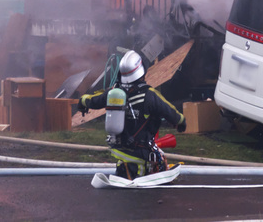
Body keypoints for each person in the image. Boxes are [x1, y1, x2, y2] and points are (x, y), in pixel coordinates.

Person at [77, 50, 186, 180]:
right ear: (141, 71)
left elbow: (94, 100)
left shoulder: (114, 93)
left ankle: (124, 170)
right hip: (141, 150)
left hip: (118, 148)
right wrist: (181, 122)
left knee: (138, 159)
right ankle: (139, 172)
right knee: (155, 160)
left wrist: (83, 101)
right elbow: (171, 112)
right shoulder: (150, 95)